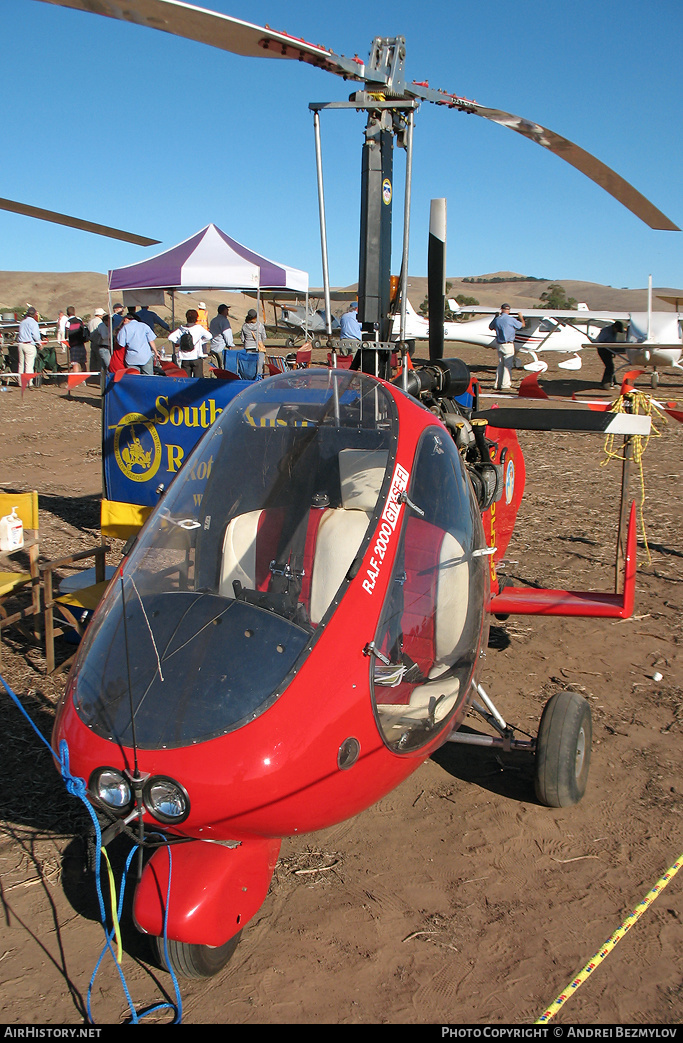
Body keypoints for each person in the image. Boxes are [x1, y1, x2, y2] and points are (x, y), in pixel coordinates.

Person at [489, 303, 525, 391]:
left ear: (501, 309)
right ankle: (505, 385)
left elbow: (490, 327)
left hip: (499, 344)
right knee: (507, 365)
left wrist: (495, 317)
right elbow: (522, 325)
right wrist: (521, 317)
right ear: (508, 310)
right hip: (508, 344)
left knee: (501, 364)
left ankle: (497, 384)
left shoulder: (497, 319)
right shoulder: (511, 320)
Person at [168, 309, 211, 377]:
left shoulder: (182, 329)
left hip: (185, 358)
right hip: (196, 357)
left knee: (186, 379)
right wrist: (201, 342)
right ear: (196, 318)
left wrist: (180, 342)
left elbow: (170, 337)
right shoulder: (199, 328)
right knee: (198, 379)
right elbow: (209, 336)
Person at [17, 307, 45, 386]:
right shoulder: (34, 323)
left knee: (21, 364)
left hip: (21, 344)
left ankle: (20, 382)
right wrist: (39, 343)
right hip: (29, 344)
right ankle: (29, 382)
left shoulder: (22, 322)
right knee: (29, 364)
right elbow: (35, 335)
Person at [595, 320, 626, 389]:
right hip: (603, 349)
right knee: (609, 366)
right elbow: (601, 341)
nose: (617, 332)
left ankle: (612, 381)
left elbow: (612, 342)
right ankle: (605, 383)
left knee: (610, 366)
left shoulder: (613, 332)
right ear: (614, 327)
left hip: (608, 349)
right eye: (617, 330)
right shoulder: (606, 331)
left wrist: (612, 350)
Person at [241, 308, 267, 375]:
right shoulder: (260, 325)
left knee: (250, 367)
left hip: (248, 348)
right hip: (259, 348)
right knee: (259, 368)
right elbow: (264, 337)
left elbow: (242, 339)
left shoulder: (244, 326)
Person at [65, 306, 90, 372]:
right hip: (81, 344)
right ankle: (84, 378)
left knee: (74, 363)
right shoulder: (80, 321)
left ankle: (76, 378)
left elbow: (66, 335)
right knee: (83, 362)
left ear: (67, 313)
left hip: (73, 345)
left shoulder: (68, 322)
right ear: (74, 312)